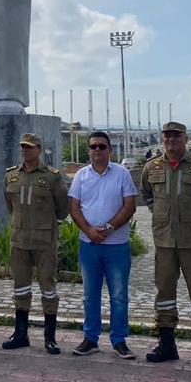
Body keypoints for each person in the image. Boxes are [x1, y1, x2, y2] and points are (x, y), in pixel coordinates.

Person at [139, 121, 191, 368]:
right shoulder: (151, 167)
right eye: (167, 135)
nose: (171, 139)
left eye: (176, 135)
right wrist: (165, 218)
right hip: (164, 241)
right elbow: (148, 196)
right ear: (162, 138)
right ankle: (167, 344)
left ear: (185, 138)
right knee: (164, 293)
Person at [69, 131, 138, 359]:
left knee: (119, 295)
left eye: (102, 146)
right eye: (93, 147)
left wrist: (108, 229)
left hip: (117, 245)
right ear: (88, 150)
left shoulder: (122, 174)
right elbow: (74, 207)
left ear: (110, 149)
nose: (97, 150)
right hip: (89, 245)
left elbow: (129, 206)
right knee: (90, 294)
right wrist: (89, 231)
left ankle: (119, 340)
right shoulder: (80, 175)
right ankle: (91, 338)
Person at [1, 133, 69, 353]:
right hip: (20, 241)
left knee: (48, 288)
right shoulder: (11, 175)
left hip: (44, 241)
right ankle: (20, 334)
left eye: (29, 148)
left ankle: (50, 337)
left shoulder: (52, 177)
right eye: (22, 147)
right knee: (20, 288)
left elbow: (63, 209)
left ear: (39, 150)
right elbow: (10, 205)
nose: (25, 151)